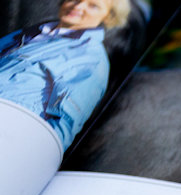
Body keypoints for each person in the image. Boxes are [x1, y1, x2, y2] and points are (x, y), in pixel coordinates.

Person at [0, 0, 131, 151]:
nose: (78, 6)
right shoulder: (31, 32)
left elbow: (64, 127)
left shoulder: (91, 60)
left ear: (108, 17)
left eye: (93, 6)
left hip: (10, 132)